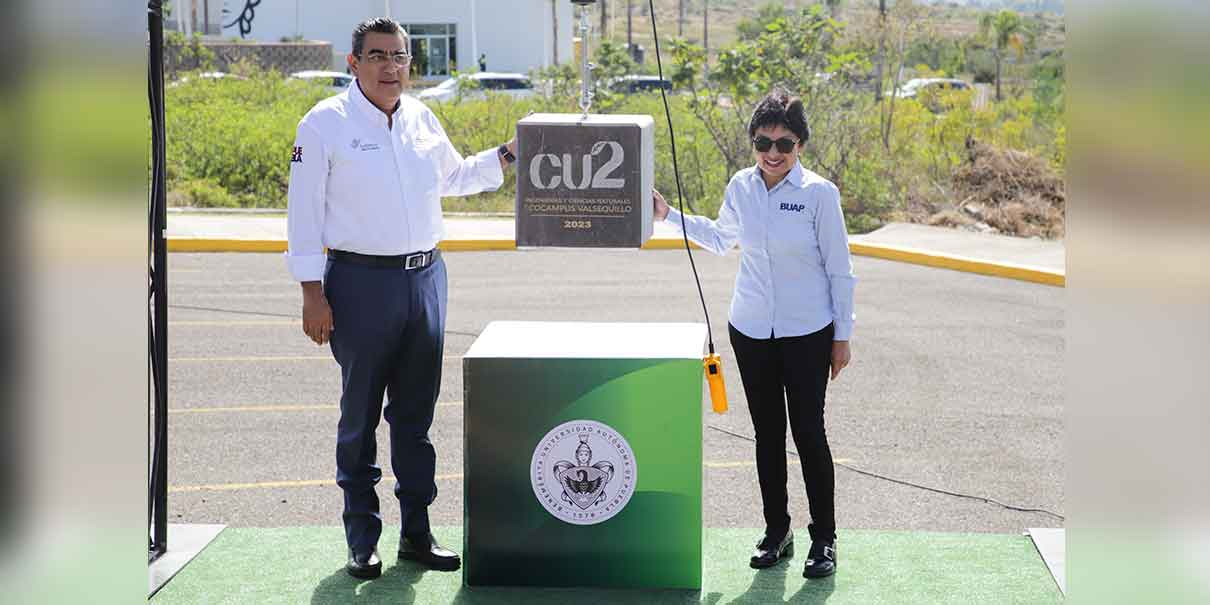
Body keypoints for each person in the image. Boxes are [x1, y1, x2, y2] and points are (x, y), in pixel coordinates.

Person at [285, 17, 518, 580]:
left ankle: (417, 533)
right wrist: (312, 294)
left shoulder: (419, 117)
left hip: (426, 280)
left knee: (414, 419)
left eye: (400, 57)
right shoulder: (324, 125)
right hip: (360, 284)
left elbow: (455, 176)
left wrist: (509, 154)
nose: (391, 66)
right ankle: (362, 538)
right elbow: (303, 215)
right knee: (360, 417)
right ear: (354, 62)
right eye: (378, 56)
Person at [653, 91, 854, 579]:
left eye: (784, 142)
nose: (773, 152)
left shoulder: (819, 194)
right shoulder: (741, 187)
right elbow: (722, 238)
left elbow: (841, 271)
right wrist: (668, 215)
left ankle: (823, 539)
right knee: (767, 433)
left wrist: (841, 337)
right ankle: (776, 531)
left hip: (808, 330)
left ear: (800, 144)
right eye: (763, 140)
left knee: (808, 432)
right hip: (750, 329)